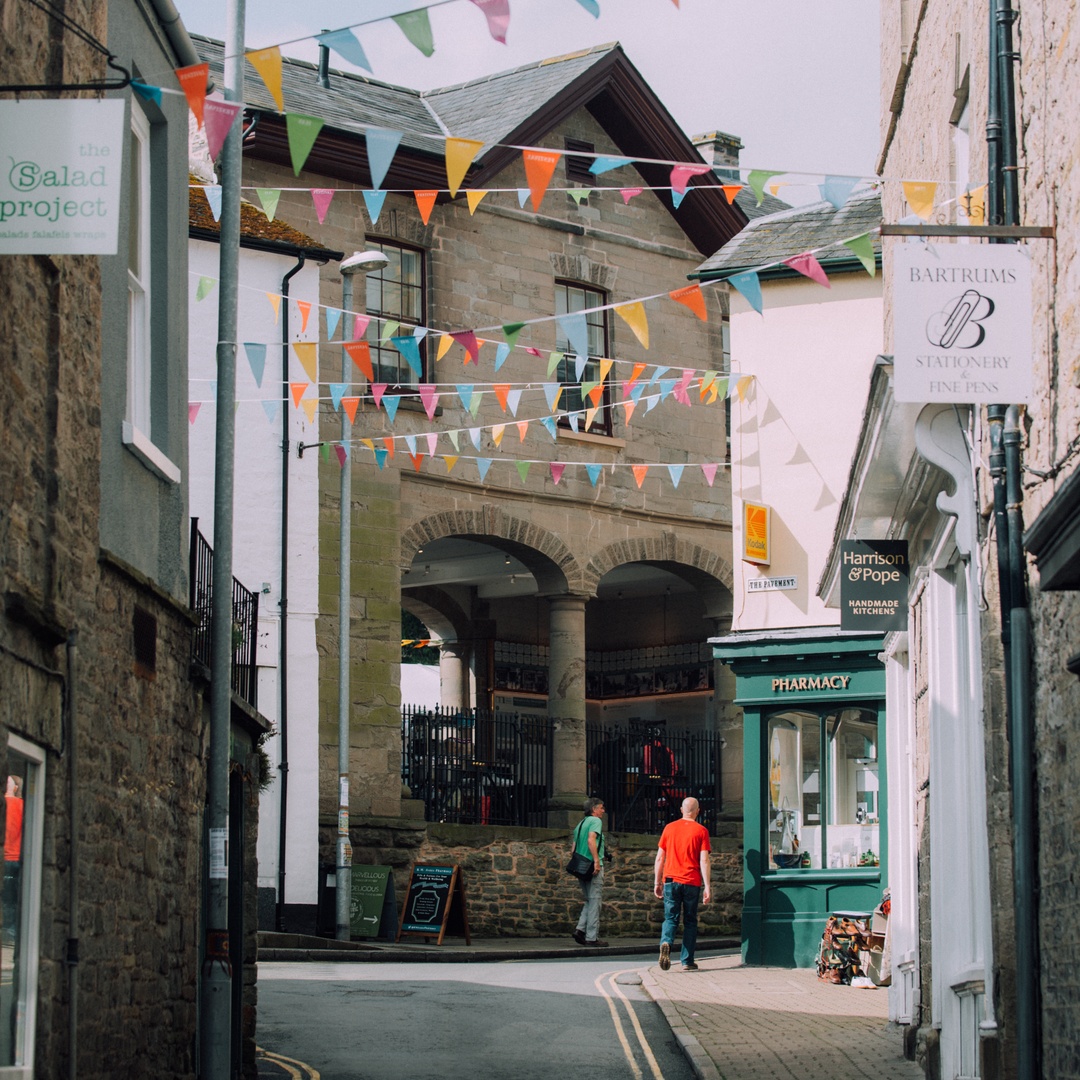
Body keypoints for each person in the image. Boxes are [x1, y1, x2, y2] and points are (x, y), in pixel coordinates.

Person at [654, 796, 711, 971]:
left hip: (671, 880)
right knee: (690, 921)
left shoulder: (669, 828)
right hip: (691, 881)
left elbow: (659, 858)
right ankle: (687, 961)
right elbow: (704, 860)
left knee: (671, 918)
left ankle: (666, 942)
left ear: (681, 810)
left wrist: (657, 882)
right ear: (698, 811)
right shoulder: (701, 831)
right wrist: (708, 886)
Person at [570, 796, 607, 948]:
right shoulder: (595, 821)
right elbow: (591, 840)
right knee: (595, 901)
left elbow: (573, 848)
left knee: (589, 899)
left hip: (580, 866)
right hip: (591, 865)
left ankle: (580, 930)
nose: (603, 811)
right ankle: (592, 937)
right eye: (601, 807)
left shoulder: (580, 824)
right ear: (594, 809)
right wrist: (597, 861)